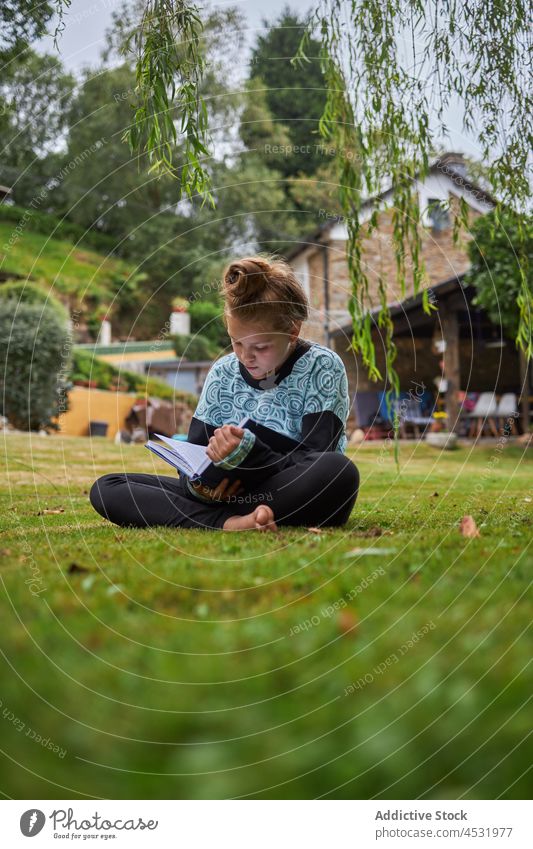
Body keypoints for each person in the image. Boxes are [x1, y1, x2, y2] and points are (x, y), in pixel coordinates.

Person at [89, 255, 360, 532]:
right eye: (236, 342)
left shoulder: (322, 366)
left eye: (261, 347)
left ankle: (213, 517)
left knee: (337, 471)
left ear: (292, 331)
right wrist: (200, 489)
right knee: (108, 487)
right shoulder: (222, 372)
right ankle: (231, 523)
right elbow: (191, 461)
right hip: (220, 500)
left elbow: (316, 455)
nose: (246, 357)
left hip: (290, 491)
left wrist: (252, 454)